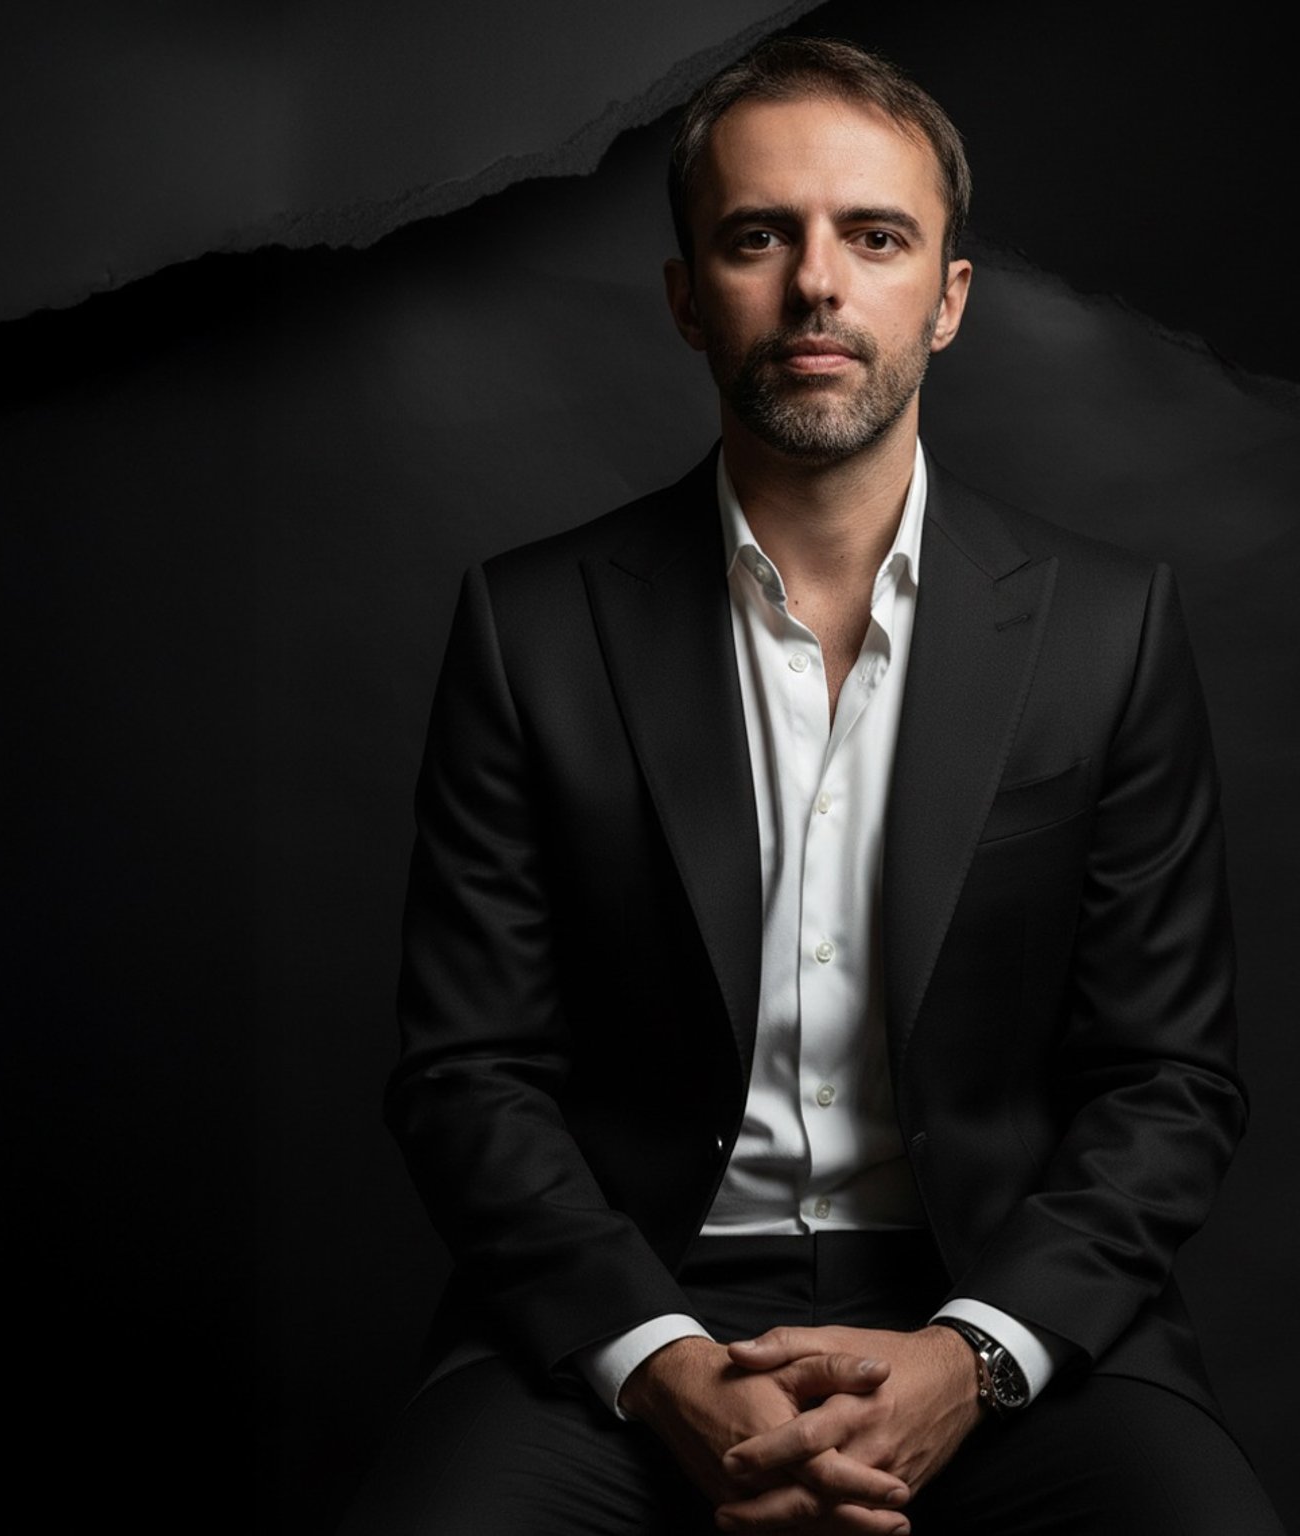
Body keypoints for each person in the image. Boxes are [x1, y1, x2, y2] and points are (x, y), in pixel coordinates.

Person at [342, 36, 1285, 1536]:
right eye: (758, 236)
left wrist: (972, 1357)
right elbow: (468, 1071)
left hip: (997, 1295)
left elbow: (1169, 1080)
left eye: (876, 236)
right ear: (685, 298)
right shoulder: (531, 629)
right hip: (628, 1300)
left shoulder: (1109, 630)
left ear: (949, 298)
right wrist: (662, 1365)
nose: (818, 286)